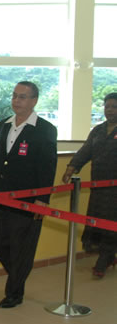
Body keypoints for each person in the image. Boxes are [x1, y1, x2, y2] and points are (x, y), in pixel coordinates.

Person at [0, 81, 57, 308]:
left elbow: (48, 166)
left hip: (28, 200)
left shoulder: (45, 129)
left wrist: (43, 199)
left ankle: (14, 292)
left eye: (22, 97)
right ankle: (18, 273)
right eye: (14, 96)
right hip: (2, 196)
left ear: (34, 101)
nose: (16, 100)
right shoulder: (4, 124)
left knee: (21, 246)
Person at [62, 92, 117, 278]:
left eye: (114, 107)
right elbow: (86, 151)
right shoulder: (98, 130)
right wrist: (71, 167)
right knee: (98, 220)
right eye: (107, 106)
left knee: (111, 221)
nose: (110, 110)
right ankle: (108, 255)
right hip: (98, 186)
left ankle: (105, 258)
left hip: (115, 189)